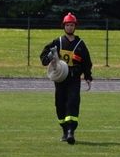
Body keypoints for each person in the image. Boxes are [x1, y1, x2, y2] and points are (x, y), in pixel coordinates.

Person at [40, 12, 93, 144]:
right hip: (60, 79)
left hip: (74, 78)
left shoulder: (80, 44)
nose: (70, 27)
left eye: (72, 25)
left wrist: (87, 76)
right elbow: (44, 56)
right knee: (60, 104)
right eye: (67, 25)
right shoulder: (57, 42)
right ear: (64, 26)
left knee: (72, 102)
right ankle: (64, 129)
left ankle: (71, 131)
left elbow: (87, 62)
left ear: (75, 27)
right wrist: (49, 58)